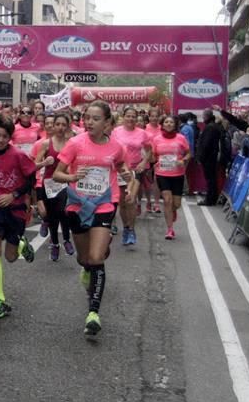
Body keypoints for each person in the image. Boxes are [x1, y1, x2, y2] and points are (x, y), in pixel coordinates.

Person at [54, 101, 137, 336]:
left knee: (96, 257)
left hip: (104, 204)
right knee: (84, 259)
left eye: (95, 118)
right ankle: (88, 268)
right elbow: (58, 174)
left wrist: (128, 182)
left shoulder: (117, 147)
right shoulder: (75, 144)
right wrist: (71, 175)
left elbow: (123, 168)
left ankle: (93, 312)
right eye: (87, 117)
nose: (89, 122)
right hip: (78, 206)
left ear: (107, 123)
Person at [0, 114, 37, 320]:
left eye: (4, 136)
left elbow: (31, 180)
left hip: (16, 208)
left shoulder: (19, 155)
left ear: (10, 137)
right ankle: (0, 299)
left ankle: (21, 244)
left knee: (10, 257)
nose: (0, 140)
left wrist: (14, 195)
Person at [32, 113, 74, 261]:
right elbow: (34, 166)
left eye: (64, 125)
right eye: (58, 124)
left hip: (65, 182)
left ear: (67, 126)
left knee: (64, 211)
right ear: (53, 126)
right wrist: (44, 163)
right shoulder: (45, 144)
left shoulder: (71, 143)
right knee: (53, 216)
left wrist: (71, 171)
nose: (60, 128)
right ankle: (55, 244)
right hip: (49, 184)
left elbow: (76, 163)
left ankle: (67, 240)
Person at [111, 106, 151, 246]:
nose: (131, 119)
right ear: (123, 117)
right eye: (128, 116)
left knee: (131, 200)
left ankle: (132, 230)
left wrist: (144, 162)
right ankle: (126, 228)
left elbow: (149, 150)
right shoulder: (115, 132)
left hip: (135, 170)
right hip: (121, 170)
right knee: (122, 202)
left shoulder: (142, 133)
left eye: (133, 116)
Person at [151, 114, 192, 239]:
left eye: (171, 122)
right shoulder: (157, 139)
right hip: (162, 174)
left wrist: (183, 160)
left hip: (177, 174)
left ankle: (173, 211)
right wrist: (154, 162)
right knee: (167, 201)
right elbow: (153, 155)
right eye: (166, 122)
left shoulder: (181, 138)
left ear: (175, 125)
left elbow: (189, 153)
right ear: (162, 125)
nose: (169, 124)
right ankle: (170, 229)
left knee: (176, 204)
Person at [195, 109, 223, 206]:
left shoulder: (209, 127)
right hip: (212, 157)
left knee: (210, 179)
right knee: (212, 179)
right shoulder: (214, 126)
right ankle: (212, 198)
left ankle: (210, 199)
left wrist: (200, 157)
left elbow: (206, 144)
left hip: (209, 158)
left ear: (206, 116)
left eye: (203, 116)